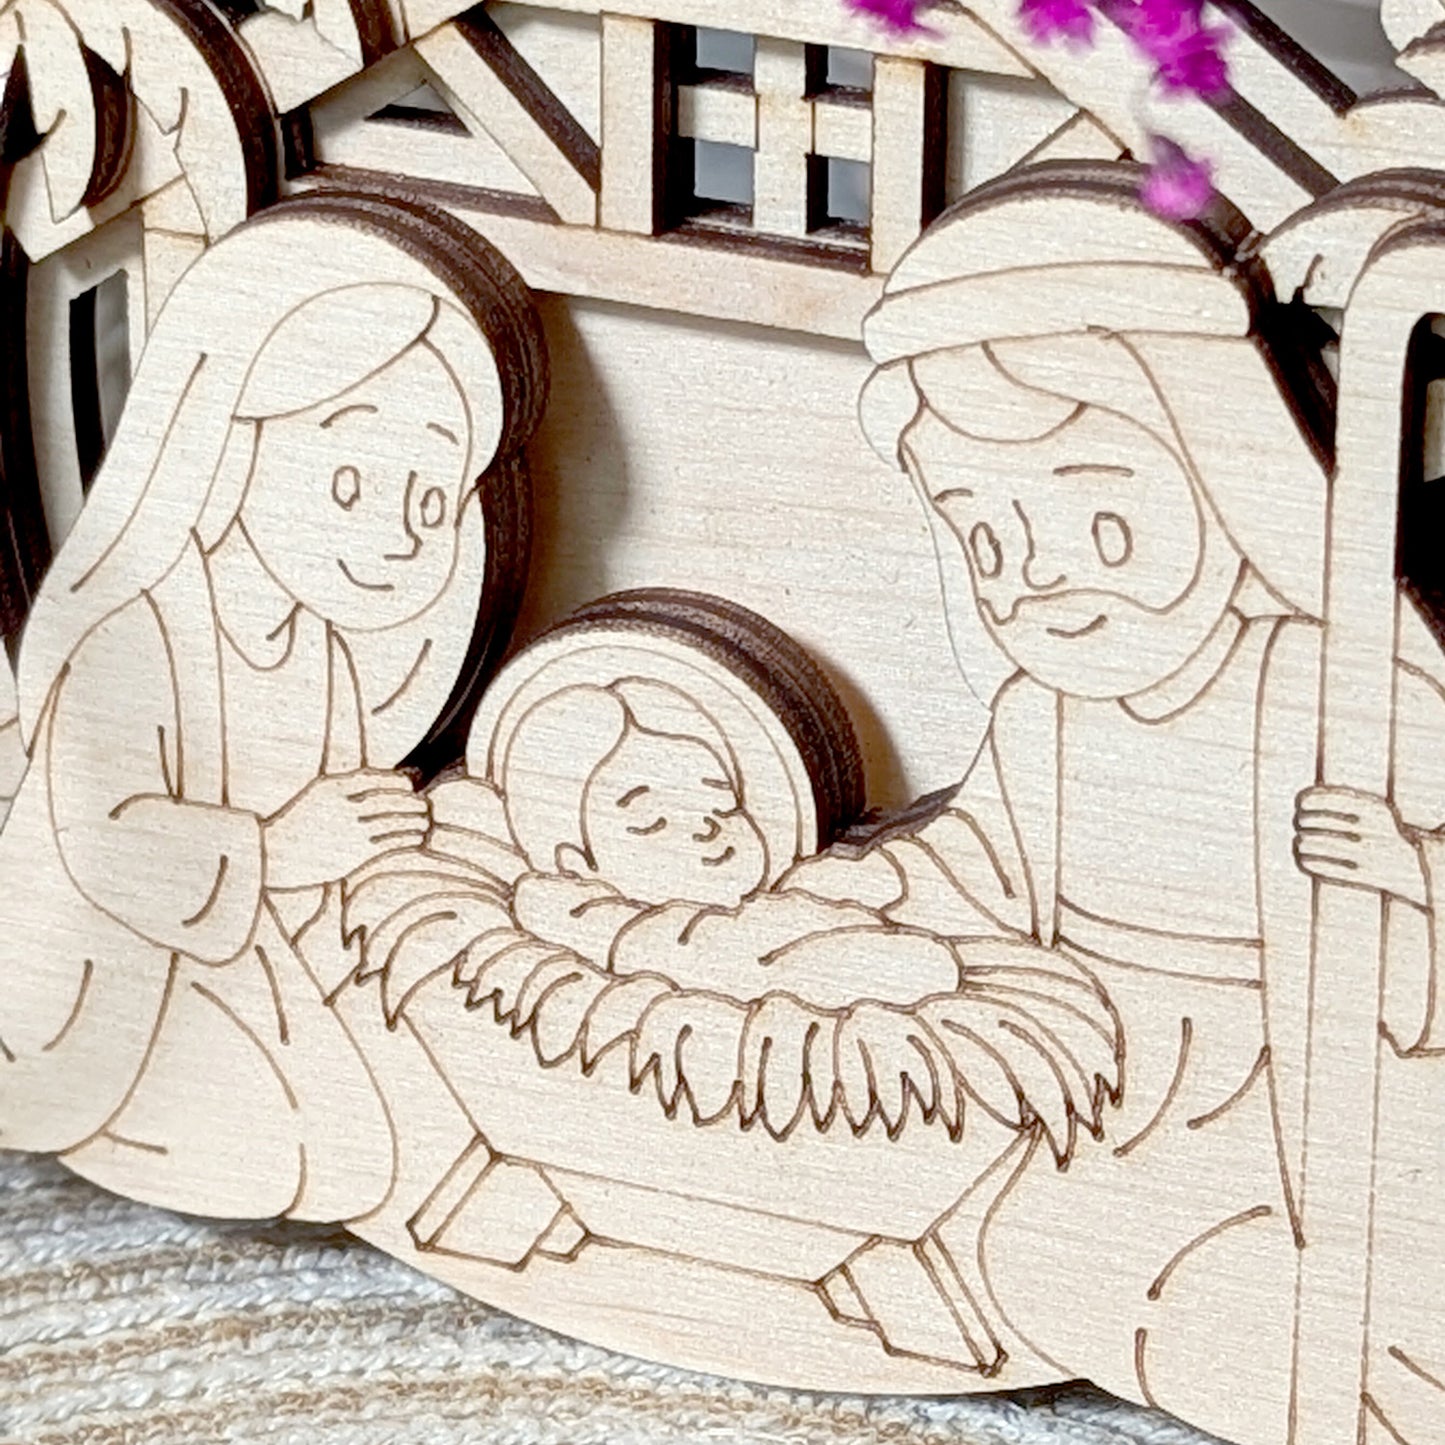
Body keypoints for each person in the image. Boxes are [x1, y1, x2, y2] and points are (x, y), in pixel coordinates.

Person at [779, 162, 1445, 1444]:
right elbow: (982, 856)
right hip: (1117, 1076)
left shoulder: (1322, 686)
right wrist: (881, 884)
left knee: (1235, 1292)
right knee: (1032, 1247)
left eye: (1097, 521)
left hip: (1290, 1087)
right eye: (986, 537)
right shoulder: (1045, 712)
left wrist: (1406, 879)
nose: (1037, 576)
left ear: (1218, 475)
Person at [0, 199, 544, 1222]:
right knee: (312, 1154)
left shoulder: (317, 647)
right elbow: (101, 840)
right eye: (349, 481)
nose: (398, 534)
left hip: (241, 940)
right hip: (100, 980)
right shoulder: (131, 630)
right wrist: (275, 849)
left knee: (384, 1123)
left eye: (429, 501)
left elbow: (322, 846)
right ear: (231, 439)